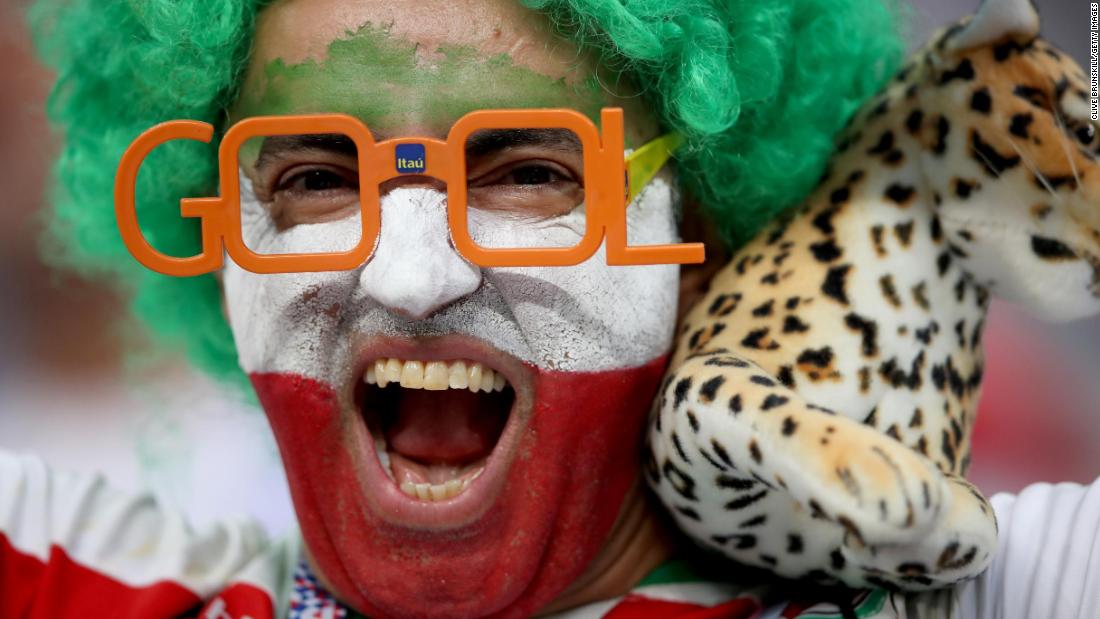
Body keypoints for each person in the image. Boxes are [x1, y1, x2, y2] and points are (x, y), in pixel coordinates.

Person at [4, 0, 1098, 617]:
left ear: (702, 243)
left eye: (527, 171)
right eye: (314, 176)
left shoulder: (969, 597)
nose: (411, 276)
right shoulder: (87, 589)